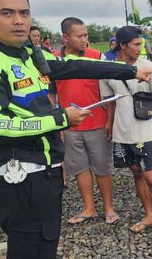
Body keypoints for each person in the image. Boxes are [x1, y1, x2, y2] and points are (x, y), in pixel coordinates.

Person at [0, 0, 152, 259]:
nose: (18, 21)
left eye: (24, 13)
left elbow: (76, 65)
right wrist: (61, 118)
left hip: (48, 173)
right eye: (7, 13)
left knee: (47, 243)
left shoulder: (31, 56)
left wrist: (127, 70)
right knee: (28, 249)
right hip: (21, 179)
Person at [100, 26, 152, 246]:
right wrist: (109, 123)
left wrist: (144, 113)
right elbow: (110, 102)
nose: (139, 48)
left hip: (145, 131)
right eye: (136, 45)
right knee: (136, 173)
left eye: (141, 44)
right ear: (122, 45)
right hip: (122, 133)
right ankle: (149, 215)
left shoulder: (148, 66)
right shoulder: (109, 69)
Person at [54, 17, 117, 226]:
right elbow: (51, 94)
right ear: (65, 37)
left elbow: (108, 90)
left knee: (102, 167)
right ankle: (89, 208)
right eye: (79, 36)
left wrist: (109, 120)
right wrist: (57, 123)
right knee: (79, 167)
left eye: (86, 35)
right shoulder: (54, 61)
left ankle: (108, 207)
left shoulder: (96, 56)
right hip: (70, 125)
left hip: (97, 123)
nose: (84, 40)